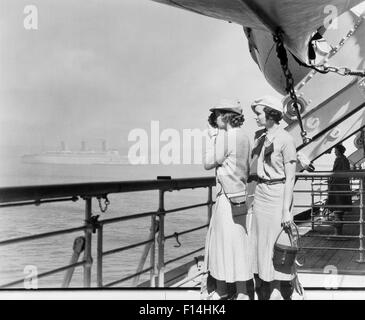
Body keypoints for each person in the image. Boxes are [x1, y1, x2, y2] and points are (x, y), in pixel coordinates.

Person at [202, 99, 254, 300]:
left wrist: (211, 138)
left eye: (216, 115)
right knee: (239, 244)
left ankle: (222, 291)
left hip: (225, 198)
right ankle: (242, 292)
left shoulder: (226, 138)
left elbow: (207, 163)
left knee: (222, 245)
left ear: (225, 116)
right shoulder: (244, 136)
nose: (214, 120)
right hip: (240, 197)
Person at [249, 95, 297, 300]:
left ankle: (276, 289)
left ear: (270, 115)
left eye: (259, 114)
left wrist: (286, 210)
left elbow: (290, 177)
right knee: (260, 242)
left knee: (275, 244)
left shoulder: (285, 139)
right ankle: (264, 283)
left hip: (277, 196)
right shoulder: (260, 138)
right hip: (261, 195)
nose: (256, 117)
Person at [327, 144, 352, 235]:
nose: (334, 152)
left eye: (335, 150)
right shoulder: (345, 160)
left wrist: (330, 182)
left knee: (337, 206)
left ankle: (338, 230)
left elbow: (335, 173)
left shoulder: (339, 160)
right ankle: (338, 226)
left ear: (339, 151)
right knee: (340, 208)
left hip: (337, 187)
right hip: (343, 186)